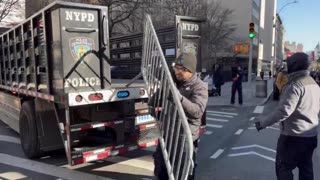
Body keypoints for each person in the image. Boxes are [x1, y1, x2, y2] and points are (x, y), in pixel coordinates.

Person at [255, 52, 320, 180]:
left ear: (294, 65)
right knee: (306, 169)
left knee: (283, 167)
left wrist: (262, 123)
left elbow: (283, 111)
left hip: (292, 137)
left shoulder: (294, 85)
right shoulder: (314, 84)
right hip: (311, 136)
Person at [153, 52, 208, 180]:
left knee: (183, 172)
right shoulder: (174, 81)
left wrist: (180, 99)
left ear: (190, 70)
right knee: (162, 169)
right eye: (176, 68)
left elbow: (197, 111)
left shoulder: (199, 86)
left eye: (181, 69)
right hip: (168, 134)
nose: (177, 72)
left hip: (185, 138)